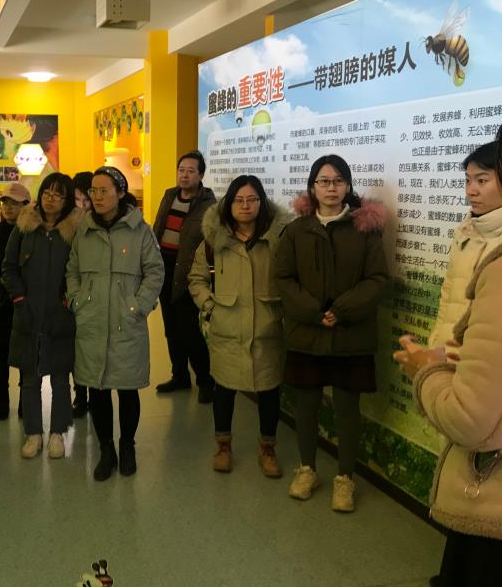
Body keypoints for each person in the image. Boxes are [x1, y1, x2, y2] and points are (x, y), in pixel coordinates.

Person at [393, 108, 502, 586]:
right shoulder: (469, 235)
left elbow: (481, 423)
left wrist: (426, 372)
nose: (473, 189)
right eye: (468, 180)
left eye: (489, 175)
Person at [274, 154, 388, 512]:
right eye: (323, 181)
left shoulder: (365, 229)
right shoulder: (297, 230)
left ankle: (344, 479)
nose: (331, 187)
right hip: (306, 333)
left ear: (348, 186)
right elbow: (283, 278)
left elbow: (377, 279)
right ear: (312, 187)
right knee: (306, 405)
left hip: (350, 334)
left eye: (338, 180)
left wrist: (341, 310)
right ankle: (307, 469)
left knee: (347, 409)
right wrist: (313, 312)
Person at [66, 166, 164, 481]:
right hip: (92, 320)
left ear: (120, 193)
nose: (97, 197)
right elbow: (72, 270)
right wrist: (77, 300)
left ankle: (127, 445)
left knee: (127, 388)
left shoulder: (140, 230)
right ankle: (106, 448)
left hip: (126, 322)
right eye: (93, 191)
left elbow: (155, 271)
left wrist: (138, 306)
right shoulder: (84, 230)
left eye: (104, 190)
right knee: (97, 389)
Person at [189, 175, 289, 477]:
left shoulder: (278, 240)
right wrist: (210, 307)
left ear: (262, 203)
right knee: (224, 389)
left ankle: (267, 448)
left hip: (267, 330)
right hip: (227, 330)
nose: (245, 206)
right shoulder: (214, 242)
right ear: (229, 204)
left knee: (269, 391)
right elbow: (196, 279)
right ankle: (223, 446)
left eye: (252, 200)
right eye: (239, 200)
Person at [2, 173, 83, 459]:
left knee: (60, 377)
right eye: (47, 192)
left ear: (67, 200)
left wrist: (70, 300)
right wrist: (19, 299)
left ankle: (58, 432)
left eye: (58, 195)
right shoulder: (24, 227)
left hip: (61, 314)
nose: (51, 199)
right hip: (28, 312)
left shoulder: (75, 232)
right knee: (29, 377)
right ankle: (33, 433)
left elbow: (82, 271)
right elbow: (9, 267)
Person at [427, 142, 502, 354]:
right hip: (446, 353)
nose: (470, 191)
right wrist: (435, 345)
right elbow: (448, 297)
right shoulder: (465, 230)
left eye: (482, 181)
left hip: (485, 361)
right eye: (467, 180)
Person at [152, 151, 217, 402]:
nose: (184, 175)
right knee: (171, 329)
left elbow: (210, 240)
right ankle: (179, 375)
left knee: (190, 331)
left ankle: (205, 381)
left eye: (191, 171)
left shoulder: (207, 204)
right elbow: (158, 227)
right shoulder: (169, 195)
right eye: (181, 170)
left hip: (189, 273)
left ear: (201, 175)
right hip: (164, 268)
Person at [0, 182, 31, 420]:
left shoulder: (32, 234)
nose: (8, 207)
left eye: (15, 203)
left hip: (24, 304)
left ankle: (24, 399)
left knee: (25, 354)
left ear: (26, 205)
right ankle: (2, 398)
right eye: (5, 203)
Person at [70, 171, 94, 418]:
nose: (84, 205)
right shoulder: (68, 222)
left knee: (92, 348)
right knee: (75, 348)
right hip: (74, 292)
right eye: (78, 199)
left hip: (96, 293)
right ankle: (80, 394)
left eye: (87, 199)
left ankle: (94, 394)